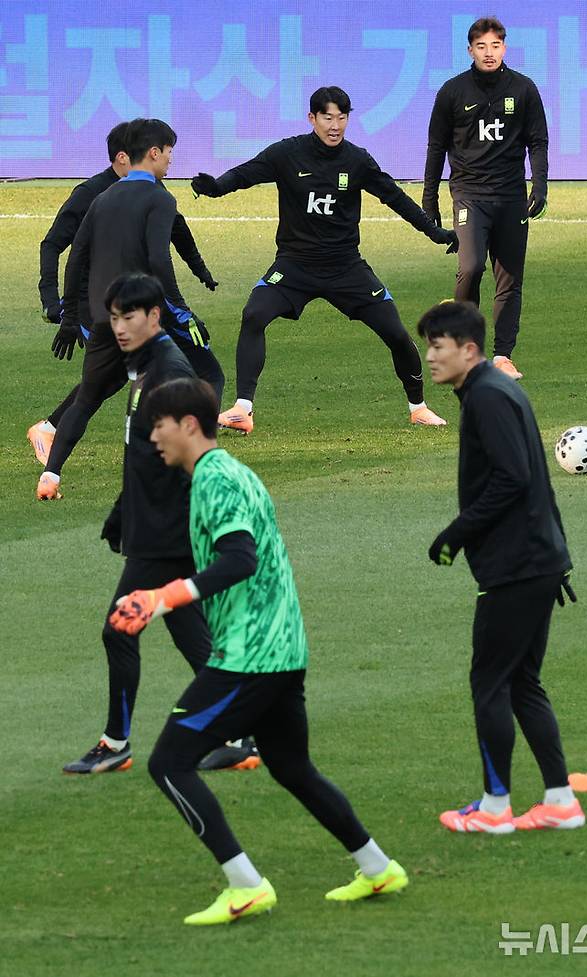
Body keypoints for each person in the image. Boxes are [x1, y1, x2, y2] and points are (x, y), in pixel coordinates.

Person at [109, 376, 408, 924]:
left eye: (158, 424)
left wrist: (160, 598)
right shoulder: (227, 474)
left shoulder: (215, 481)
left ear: (189, 425)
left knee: (170, 763)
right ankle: (377, 866)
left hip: (251, 654)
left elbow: (239, 559)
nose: (152, 436)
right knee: (293, 767)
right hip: (283, 645)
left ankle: (245, 885)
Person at [63, 274, 257, 776]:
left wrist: (155, 521)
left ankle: (116, 743)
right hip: (152, 523)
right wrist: (121, 510)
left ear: (154, 317)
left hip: (166, 532)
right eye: (115, 317)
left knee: (120, 629)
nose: (121, 327)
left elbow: (189, 458)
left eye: (131, 316)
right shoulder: (143, 366)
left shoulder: (168, 373)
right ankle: (240, 731)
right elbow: (145, 454)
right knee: (189, 634)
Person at [191, 85, 458, 434]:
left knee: (395, 332)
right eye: (327, 117)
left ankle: (418, 407)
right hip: (294, 264)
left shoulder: (358, 160)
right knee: (254, 314)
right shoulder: (288, 153)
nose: (335, 125)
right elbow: (245, 174)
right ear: (312, 118)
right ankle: (243, 409)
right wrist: (216, 187)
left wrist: (436, 233)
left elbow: (396, 198)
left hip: (346, 266)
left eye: (342, 117)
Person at [418, 300, 586, 833]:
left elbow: (512, 479)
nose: (429, 357)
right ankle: (560, 801)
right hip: (538, 559)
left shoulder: (488, 396)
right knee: (520, 683)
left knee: (490, 682)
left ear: (468, 350)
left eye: (438, 347)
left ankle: (495, 809)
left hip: (516, 566)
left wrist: (456, 534)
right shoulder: (494, 389)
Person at [36, 118, 224, 501]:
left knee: (88, 397)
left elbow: (76, 261)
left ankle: (50, 476)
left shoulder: (103, 198)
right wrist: (183, 312)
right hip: (147, 317)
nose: (171, 160)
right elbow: (158, 258)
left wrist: (72, 318)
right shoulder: (159, 198)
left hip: (106, 319)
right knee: (209, 374)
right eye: (169, 152)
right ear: (153, 153)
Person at [422, 17, 549, 380]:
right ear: (470, 50)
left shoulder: (523, 89)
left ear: (504, 48)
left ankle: (503, 356)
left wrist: (539, 186)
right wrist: (429, 199)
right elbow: (436, 147)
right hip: (469, 195)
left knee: (509, 277)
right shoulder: (452, 91)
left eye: (495, 46)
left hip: (511, 195)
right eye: (481, 47)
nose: (488, 53)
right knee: (472, 266)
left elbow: (537, 141)